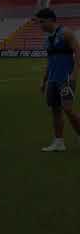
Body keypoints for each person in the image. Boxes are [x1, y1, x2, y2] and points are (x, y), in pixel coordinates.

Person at [36, 8, 80, 151]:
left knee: (68, 109)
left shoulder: (66, 33)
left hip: (65, 79)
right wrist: (44, 80)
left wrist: (74, 75)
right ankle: (59, 142)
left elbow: (78, 53)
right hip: (53, 80)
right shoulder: (47, 39)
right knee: (55, 110)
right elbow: (50, 61)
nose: (40, 25)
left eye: (42, 22)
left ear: (50, 20)